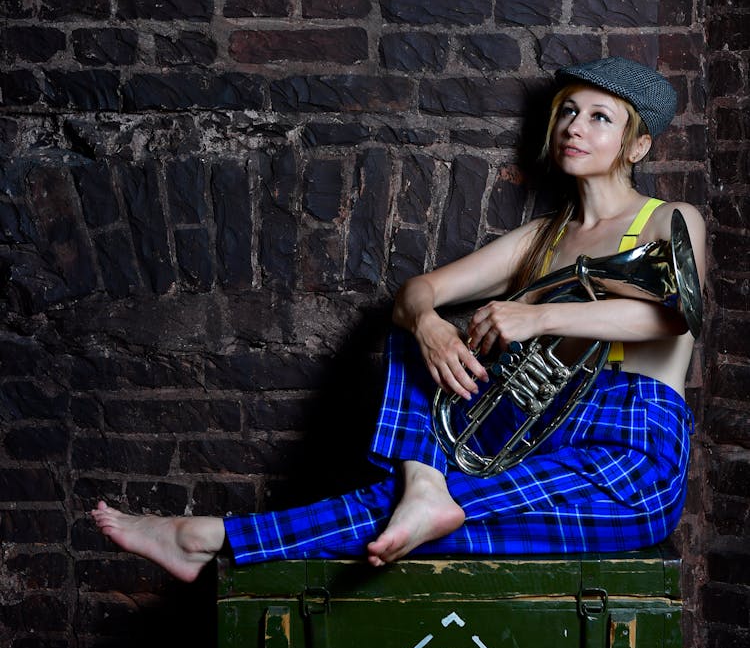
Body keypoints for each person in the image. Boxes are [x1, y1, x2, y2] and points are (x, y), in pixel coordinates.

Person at [92, 56, 706, 583]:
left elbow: (673, 319)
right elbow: (416, 291)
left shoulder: (666, 220)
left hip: (628, 454)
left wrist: (535, 318)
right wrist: (431, 326)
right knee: (411, 330)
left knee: (393, 511)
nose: (576, 127)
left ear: (639, 144)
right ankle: (423, 483)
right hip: (533, 438)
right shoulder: (541, 238)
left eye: (602, 117)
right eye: (569, 111)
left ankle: (209, 537)